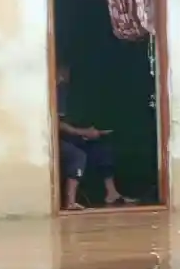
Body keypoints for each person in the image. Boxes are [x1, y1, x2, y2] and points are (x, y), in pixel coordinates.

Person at [56, 64, 135, 210]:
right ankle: (70, 202)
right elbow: (57, 124)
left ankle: (111, 193)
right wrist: (82, 132)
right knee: (77, 155)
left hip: (73, 137)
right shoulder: (56, 90)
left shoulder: (73, 92)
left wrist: (91, 133)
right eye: (64, 70)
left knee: (102, 148)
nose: (67, 74)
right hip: (56, 139)